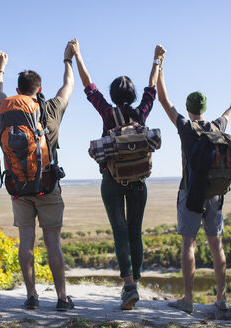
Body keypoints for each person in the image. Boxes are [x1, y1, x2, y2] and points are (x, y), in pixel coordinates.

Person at [70, 39, 164, 310]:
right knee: (136, 232)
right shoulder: (141, 111)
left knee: (119, 231)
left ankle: (129, 286)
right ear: (133, 95)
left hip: (112, 181)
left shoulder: (108, 112)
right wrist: (157, 60)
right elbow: (152, 88)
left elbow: (89, 88)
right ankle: (135, 281)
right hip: (139, 183)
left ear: (112, 95)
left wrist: (78, 54)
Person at [156, 45, 231, 313]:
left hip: (190, 193)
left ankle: (188, 300)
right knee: (216, 245)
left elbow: (163, 99)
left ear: (189, 108)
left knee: (188, 244)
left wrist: (160, 65)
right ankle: (222, 298)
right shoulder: (217, 127)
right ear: (205, 109)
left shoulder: (186, 128)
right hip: (216, 194)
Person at [0, 42, 75, 311]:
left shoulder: (5, 106)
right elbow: (69, 86)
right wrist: (67, 60)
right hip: (47, 186)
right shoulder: (49, 109)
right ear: (39, 89)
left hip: (17, 185)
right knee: (53, 242)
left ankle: (31, 296)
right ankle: (62, 299)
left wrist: (0, 68)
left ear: (18, 91)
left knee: (26, 241)